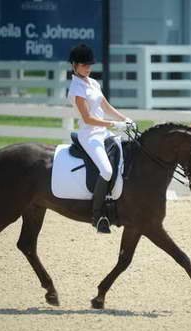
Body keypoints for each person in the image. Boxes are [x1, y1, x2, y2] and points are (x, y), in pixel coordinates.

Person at [67, 44, 134, 234]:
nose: (87, 68)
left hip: (103, 132)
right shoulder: (76, 89)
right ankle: (97, 216)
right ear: (74, 65)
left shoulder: (93, 83)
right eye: (83, 65)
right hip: (89, 135)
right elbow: (88, 118)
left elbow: (106, 106)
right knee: (105, 170)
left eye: (89, 65)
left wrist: (124, 119)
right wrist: (113, 125)